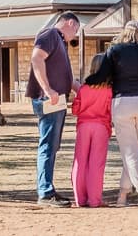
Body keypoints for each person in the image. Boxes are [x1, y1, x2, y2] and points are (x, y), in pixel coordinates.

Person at [85, 20, 138, 208]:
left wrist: (87, 82)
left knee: (131, 152)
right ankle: (123, 195)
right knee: (135, 151)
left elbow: (101, 76)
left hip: (122, 101)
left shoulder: (114, 51)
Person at [25, 12, 81, 207]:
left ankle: (48, 188)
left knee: (52, 146)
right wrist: (48, 89)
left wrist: (85, 91)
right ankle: (45, 192)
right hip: (48, 100)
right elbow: (36, 58)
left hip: (58, 101)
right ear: (71, 23)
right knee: (48, 145)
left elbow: (69, 79)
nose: (75, 35)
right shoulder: (50, 35)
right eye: (76, 31)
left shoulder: (60, 42)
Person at [70, 53, 113, 208]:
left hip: (84, 126)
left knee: (80, 161)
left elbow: (75, 109)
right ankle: (95, 200)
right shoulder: (109, 91)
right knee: (97, 163)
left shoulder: (83, 89)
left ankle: (79, 199)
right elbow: (110, 111)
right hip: (101, 127)